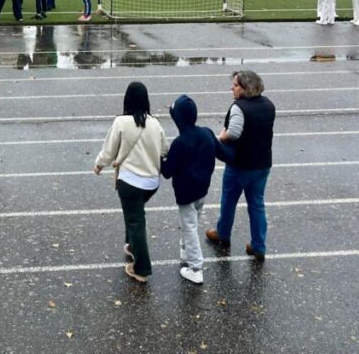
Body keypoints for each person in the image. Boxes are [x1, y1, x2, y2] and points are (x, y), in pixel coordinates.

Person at [93, 81, 169, 283]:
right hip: (151, 183)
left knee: (136, 220)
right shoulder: (155, 124)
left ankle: (141, 269)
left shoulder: (121, 122)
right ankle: (131, 245)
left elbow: (109, 151)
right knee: (134, 212)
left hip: (130, 181)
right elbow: (165, 151)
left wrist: (99, 165)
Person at [207, 70, 275, 262]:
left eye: (235, 85)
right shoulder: (269, 105)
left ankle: (223, 234)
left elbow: (234, 133)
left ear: (245, 88)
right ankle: (258, 246)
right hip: (262, 164)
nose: (232, 88)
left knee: (229, 200)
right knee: (257, 204)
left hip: (240, 165)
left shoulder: (239, 107)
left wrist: (221, 137)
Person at [161, 94, 217, 285]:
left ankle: (195, 268)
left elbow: (167, 172)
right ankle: (185, 250)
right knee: (193, 222)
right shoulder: (207, 133)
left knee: (190, 226)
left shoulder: (179, 143)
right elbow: (222, 152)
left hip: (185, 193)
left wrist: (159, 158)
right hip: (202, 189)